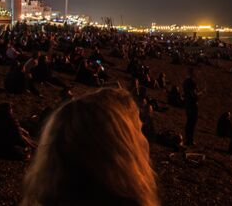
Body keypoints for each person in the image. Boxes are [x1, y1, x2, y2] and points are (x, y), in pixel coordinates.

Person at [21, 88, 159, 206]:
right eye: (139, 129)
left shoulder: (47, 198)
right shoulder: (125, 200)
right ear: (119, 147)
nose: (145, 139)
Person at [182, 70, 200, 147]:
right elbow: (194, 97)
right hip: (192, 106)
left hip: (188, 105)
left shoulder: (186, 83)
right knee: (192, 123)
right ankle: (190, 139)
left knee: (189, 122)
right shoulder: (191, 86)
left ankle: (188, 138)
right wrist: (198, 95)